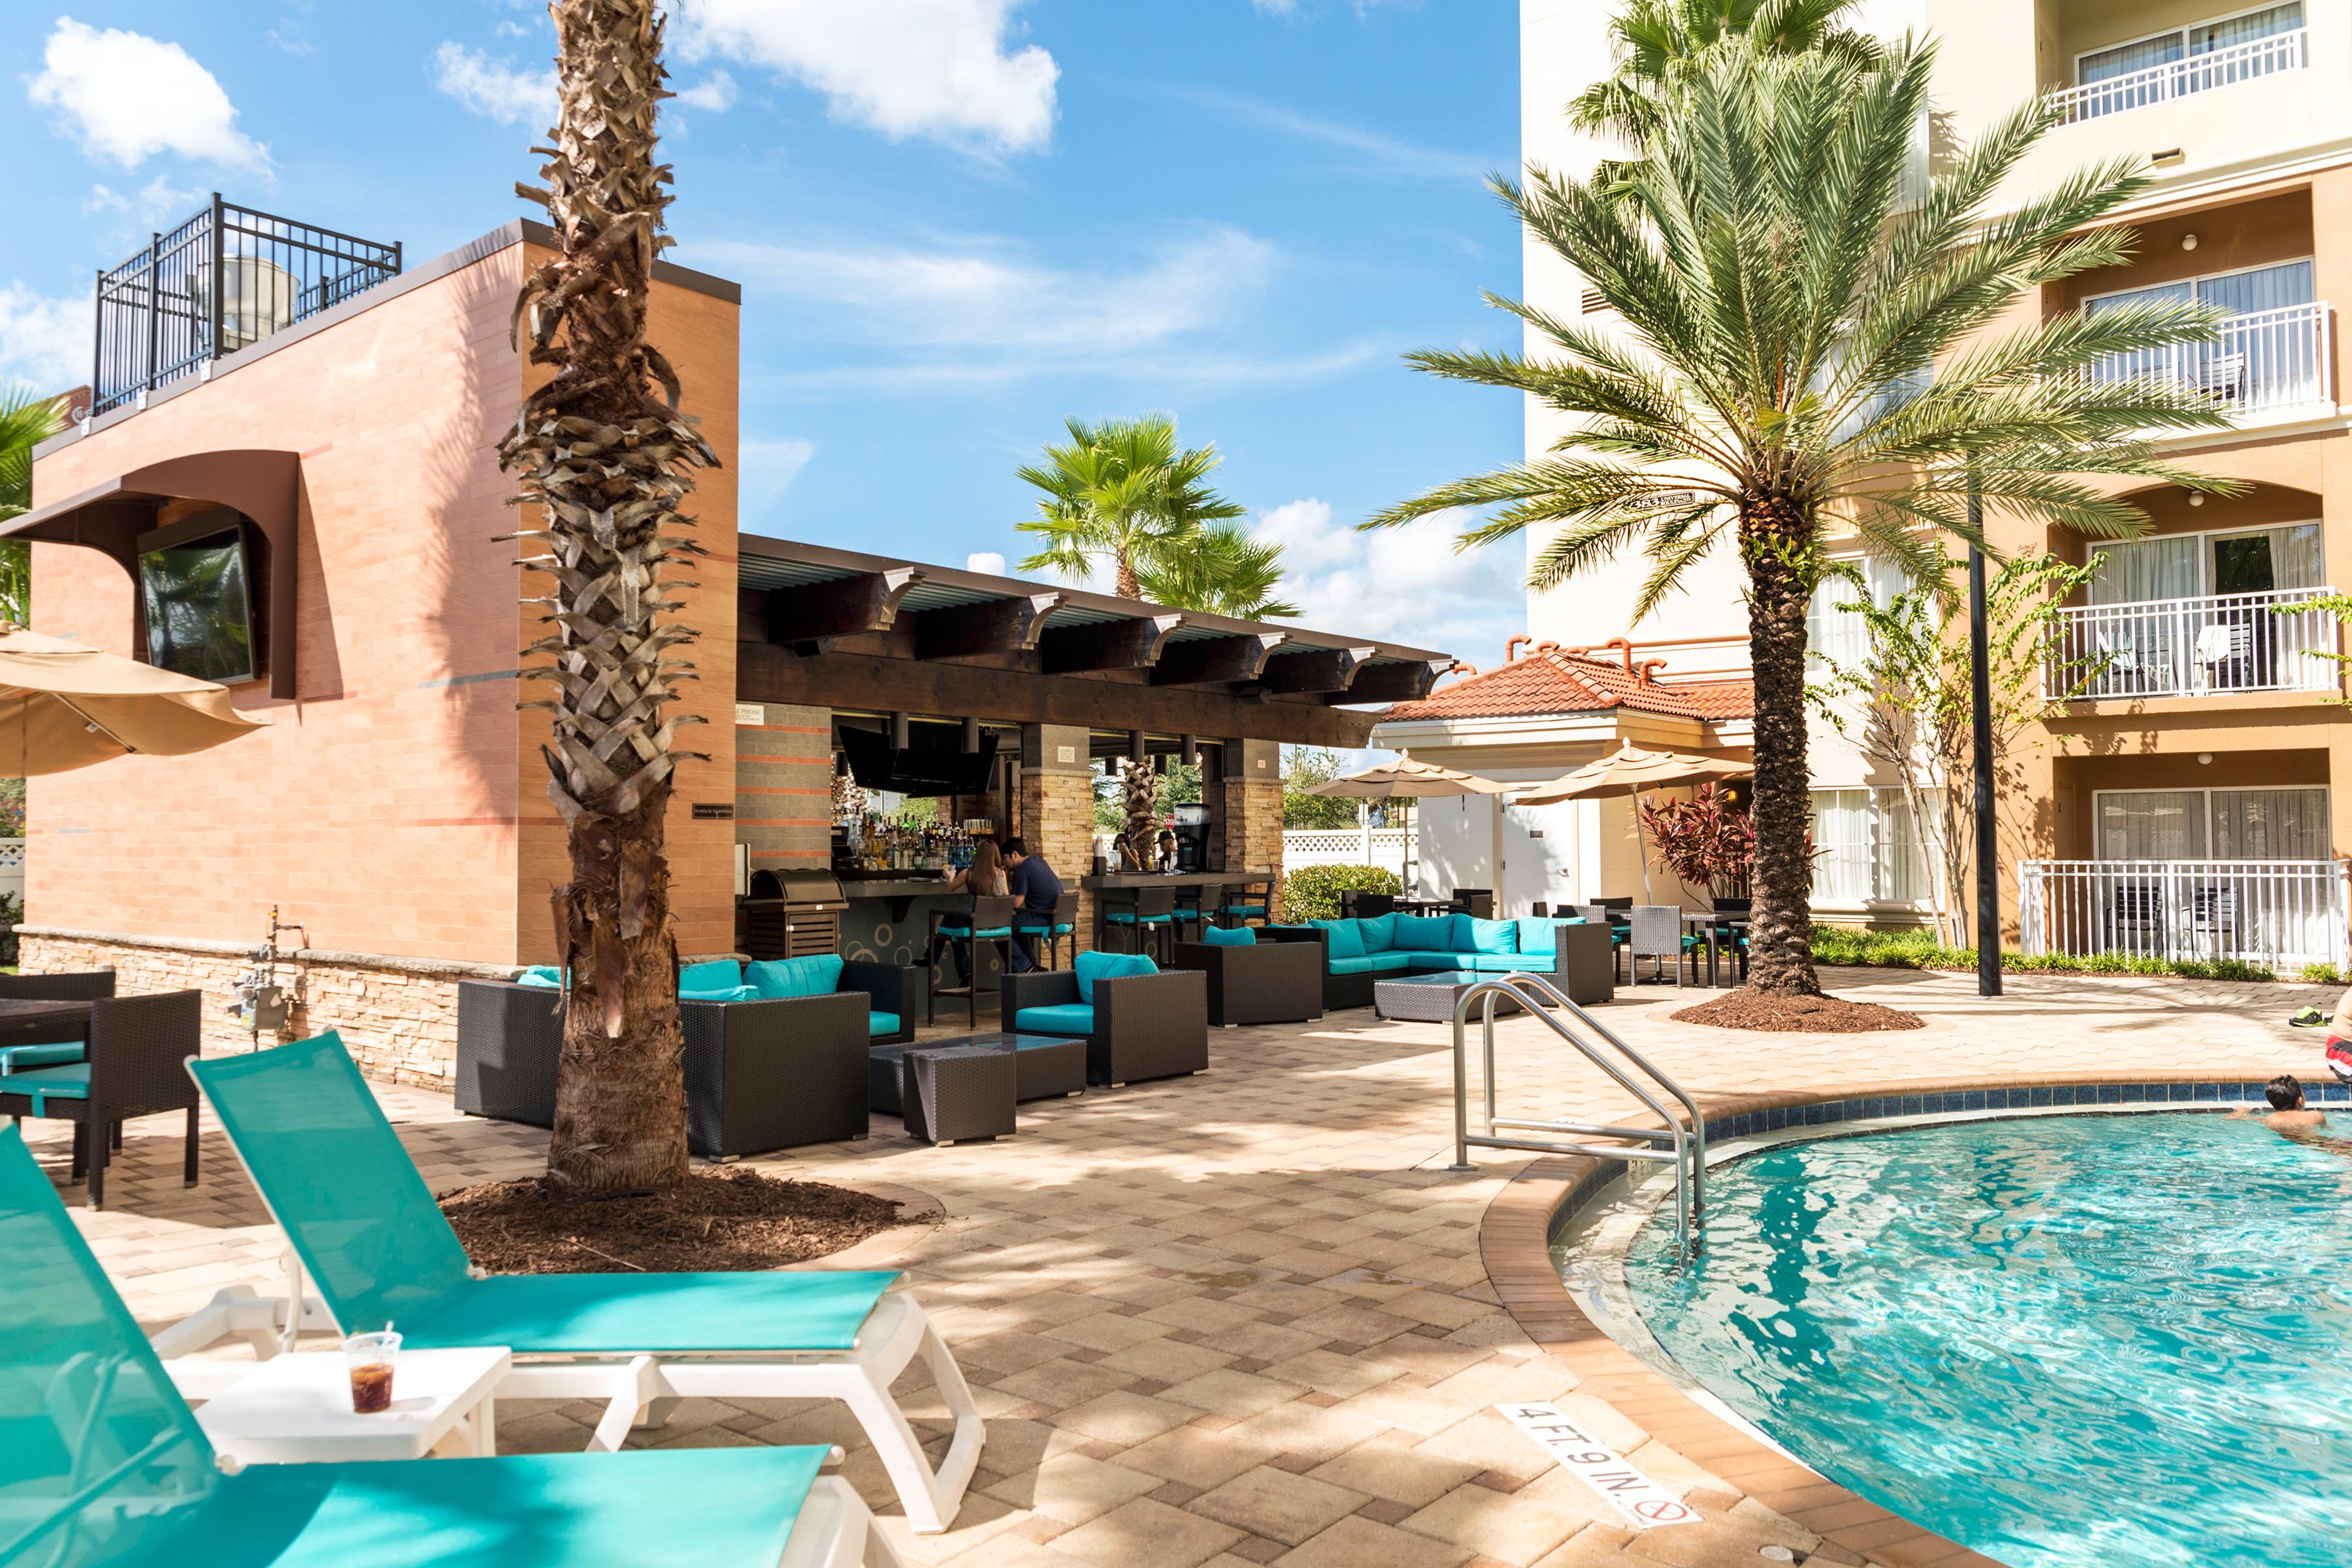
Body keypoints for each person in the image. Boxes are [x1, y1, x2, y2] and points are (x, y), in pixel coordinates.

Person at [928, 837, 1007, 990]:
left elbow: (950, 888)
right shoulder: (1002, 874)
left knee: (950, 924)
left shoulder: (968, 873)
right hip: (995, 925)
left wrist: (949, 877)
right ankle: (939, 961)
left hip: (974, 923)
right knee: (952, 924)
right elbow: (1005, 898)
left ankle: (940, 960)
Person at [1002, 836, 1061, 973]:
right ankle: (1031, 966)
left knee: (1002, 924)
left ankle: (1024, 967)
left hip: (1045, 918)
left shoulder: (1022, 870)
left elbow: (1016, 903)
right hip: (1057, 916)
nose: (1004, 862)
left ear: (1014, 854)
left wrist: (1002, 879)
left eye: (1005, 858)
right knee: (1015, 926)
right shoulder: (1039, 861)